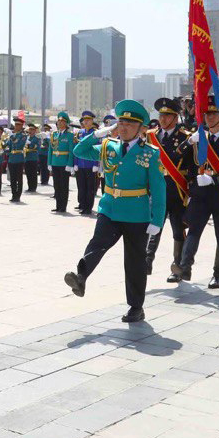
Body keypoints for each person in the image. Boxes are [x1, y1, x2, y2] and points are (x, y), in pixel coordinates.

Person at [63, 100, 165, 323]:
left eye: (130, 124)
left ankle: (136, 307)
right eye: (121, 123)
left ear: (141, 129)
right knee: (97, 243)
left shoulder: (150, 153)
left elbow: (159, 190)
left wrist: (157, 220)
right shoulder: (108, 147)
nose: (124, 127)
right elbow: (79, 150)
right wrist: (98, 134)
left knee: (134, 261)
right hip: (109, 208)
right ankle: (81, 277)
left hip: (136, 214)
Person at [172, 101, 219, 289]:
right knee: (193, 229)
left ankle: (218, 274)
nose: (209, 117)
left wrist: (213, 180)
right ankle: (185, 266)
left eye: (214, 114)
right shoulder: (199, 138)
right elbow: (176, 156)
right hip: (200, 193)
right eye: (207, 114)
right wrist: (189, 141)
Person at [145, 98, 189, 277]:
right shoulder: (151, 136)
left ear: (175, 118)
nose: (162, 119)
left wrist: (192, 191)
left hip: (177, 189)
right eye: (161, 115)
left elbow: (192, 167)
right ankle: (147, 262)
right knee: (154, 226)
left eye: (167, 116)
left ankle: (178, 267)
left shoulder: (185, 137)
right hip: (157, 190)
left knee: (178, 229)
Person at [49, 111, 76, 213]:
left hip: (64, 164)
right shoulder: (54, 134)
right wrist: (49, 163)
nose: (59, 123)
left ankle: (63, 207)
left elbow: (71, 151)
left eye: (62, 121)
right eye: (58, 121)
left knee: (64, 186)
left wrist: (70, 164)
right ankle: (58, 205)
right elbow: (50, 150)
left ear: (66, 123)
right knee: (56, 185)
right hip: (55, 162)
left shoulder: (70, 135)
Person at [73, 111, 99, 214]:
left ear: (92, 121)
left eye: (88, 120)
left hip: (90, 164)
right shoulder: (80, 133)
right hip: (80, 164)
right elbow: (77, 149)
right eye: (85, 120)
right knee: (81, 186)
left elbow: (97, 149)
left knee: (90, 188)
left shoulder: (95, 133)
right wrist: (75, 163)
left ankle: (88, 207)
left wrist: (95, 164)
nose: (86, 122)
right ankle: (82, 205)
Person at [6, 118, 28, 203]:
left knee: (19, 178)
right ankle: (13, 194)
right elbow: (8, 145)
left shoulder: (23, 136)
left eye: (18, 125)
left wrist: (12, 136)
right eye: (15, 124)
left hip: (19, 158)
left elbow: (19, 144)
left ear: (22, 126)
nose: (16, 126)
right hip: (11, 158)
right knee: (13, 179)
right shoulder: (12, 135)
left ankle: (18, 195)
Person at [24, 123, 41, 193]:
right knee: (28, 173)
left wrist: (30, 144)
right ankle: (29, 187)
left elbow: (38, 147)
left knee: (33, 173)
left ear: (35, 131)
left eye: (32, 129)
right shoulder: (27, 138)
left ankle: (33, 187)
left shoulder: (37, 139)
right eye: (30, 129)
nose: (30, 131)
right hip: (27, 157)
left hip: (33, 157)